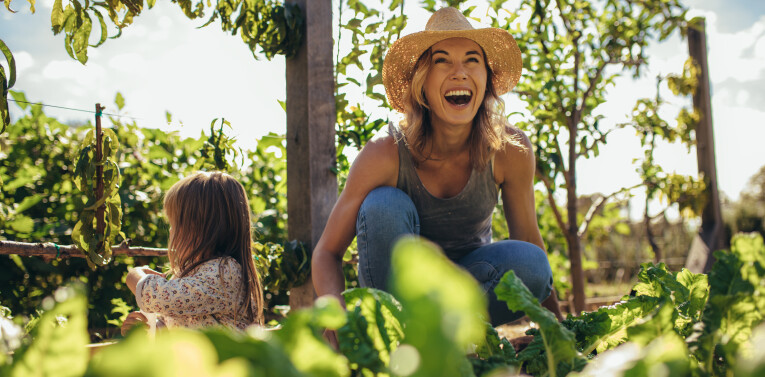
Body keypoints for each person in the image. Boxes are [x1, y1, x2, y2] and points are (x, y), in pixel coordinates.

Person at [311, 7, 564, 344]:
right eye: (442, 61)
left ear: (486, 80)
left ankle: (447, 340)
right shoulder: (384, 153)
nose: (459, 72)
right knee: (383, 205)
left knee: (532, 263)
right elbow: (327, 252)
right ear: (422, 84)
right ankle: (399, 339)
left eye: (472, 60)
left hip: (472, 289)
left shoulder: (509, 149)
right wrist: (335, 316)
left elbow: (530, 241)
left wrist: (559, 328)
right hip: (398, 300)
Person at [121, 171, 264, 335]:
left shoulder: (224, 272)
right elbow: (177, 322)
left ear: (199, 228)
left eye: (174, 223)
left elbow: (160, 297)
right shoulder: (190, 273)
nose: (170, 230)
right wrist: (148, 329)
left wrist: (134, 276)